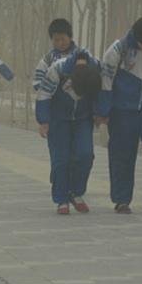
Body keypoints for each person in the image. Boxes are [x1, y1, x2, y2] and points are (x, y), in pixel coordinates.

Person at [96, 16, 142, 216]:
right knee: (122, 155)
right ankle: (121, 200)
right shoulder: (117, 50)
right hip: (122, 111)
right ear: (135, 35)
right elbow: (106, 82)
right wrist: (103, 111)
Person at [33, 20, 100, 215]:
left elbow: (98, 87)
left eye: (63, 39)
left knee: (85, 155)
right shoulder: (49, 62)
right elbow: (41, 88)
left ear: (70, 37)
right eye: (56, 40)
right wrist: (43, 120)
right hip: (58, 119)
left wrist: (99, 113)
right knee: (61, 159)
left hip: (82, 118)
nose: (60, 43)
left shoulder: (89, 60)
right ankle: (61, 199)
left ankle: (76, 192)